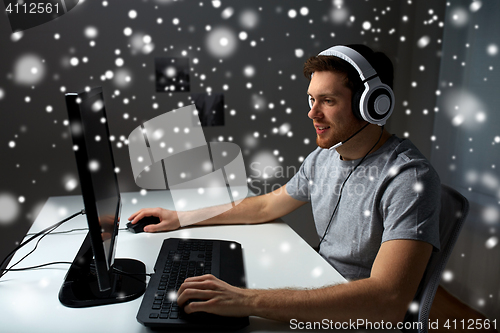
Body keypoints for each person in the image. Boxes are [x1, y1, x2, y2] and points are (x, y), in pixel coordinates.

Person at [128, 44, 441, 325]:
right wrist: (182, 218)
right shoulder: (324, 157)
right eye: (311, 99)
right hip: (321, 288)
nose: (312, 113)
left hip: (356, 316)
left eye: (328, 101)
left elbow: (387, 303)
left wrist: (247, 301)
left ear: (372, 105)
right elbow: (266, 204)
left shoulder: (408, 179)